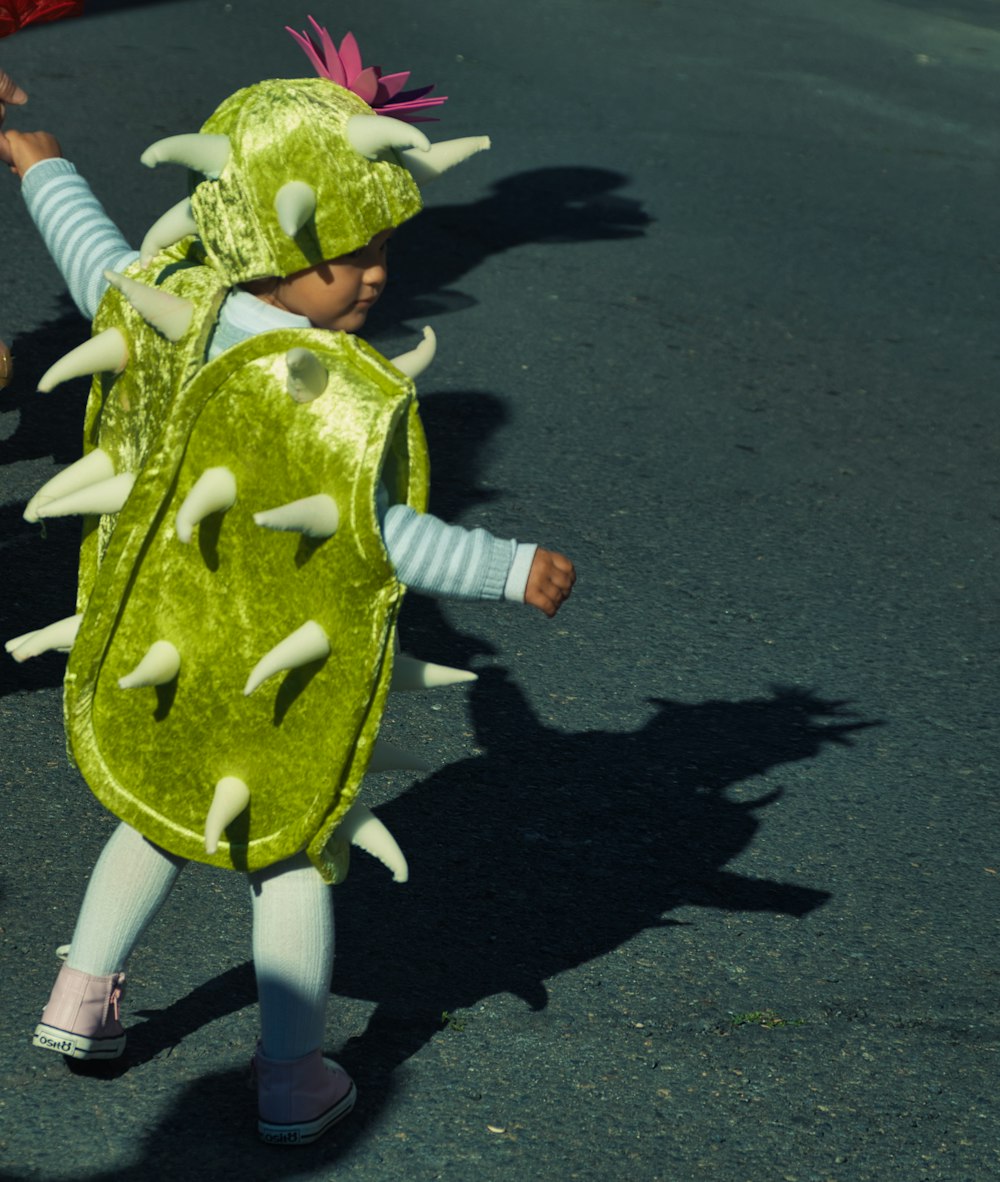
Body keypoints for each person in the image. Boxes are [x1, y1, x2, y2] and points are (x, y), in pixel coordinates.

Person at [3, 38, 575, 1149]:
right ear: (272, 236)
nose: (373, 277)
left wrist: (40, 166)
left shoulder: (173, 315)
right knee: (295, 852)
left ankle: (81, 999)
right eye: (348, 256)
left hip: (167, 634)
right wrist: (507, 567)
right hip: (288, 670)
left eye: (382, 252)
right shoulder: (326, 391)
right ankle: (291, 1073)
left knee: (156, 811)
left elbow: (97, 261)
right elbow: (384, 534)